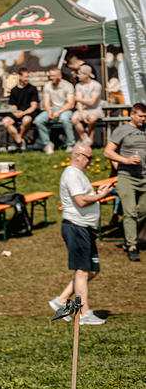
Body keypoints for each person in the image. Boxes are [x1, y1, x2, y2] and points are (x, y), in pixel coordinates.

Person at [50, 143, 111, 324]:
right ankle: (84, 314)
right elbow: (81, 201)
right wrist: (101, 196)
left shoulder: (78, 174)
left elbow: (85, 197)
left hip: (86, 228)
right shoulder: (71, 174)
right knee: (83, 271)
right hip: (76, 227)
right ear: (77, 155)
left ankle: (61, 300)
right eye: (88, 158)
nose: (90, 162)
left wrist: (98, 194)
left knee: (92, 270)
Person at [103, 102, 146, 261]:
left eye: (145, 117)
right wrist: (126, 160)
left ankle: (131, 237)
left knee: (144, 211)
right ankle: (132, 246)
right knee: (129, 213)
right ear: (132, 114)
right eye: (141, 116)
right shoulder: (121, 130)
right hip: (127, 176)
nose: (143, 119)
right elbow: (108, 152)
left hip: (144, 177)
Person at [36, 67, 76, 154]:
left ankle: (71, 144)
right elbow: (46, 102)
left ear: (60, 76)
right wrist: (49, 112)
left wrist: (59, 112)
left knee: (65, 119)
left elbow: (71, 104)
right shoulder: (47, 86)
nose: (51, 78)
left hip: (65, 109)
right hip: (52, 109)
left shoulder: (68, 86)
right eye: (50, 75)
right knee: (38, 120)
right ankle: (47, 144)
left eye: (53, 76)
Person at [1, 67, 38, 153]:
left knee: (26, 120)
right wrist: (16, 112)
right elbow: (13, 106)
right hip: (18, 113)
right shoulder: (14, 90)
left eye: (28, 77)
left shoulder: (32, 89)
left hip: (28, 113)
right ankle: (20, 141)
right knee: (5, 121)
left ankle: (18, 141)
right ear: (20, 76)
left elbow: (33, 107)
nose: (27, 79)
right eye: (26, 77)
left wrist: (23, 113)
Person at [71, 65, 103, 146]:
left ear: (86, 75)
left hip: (95, 109)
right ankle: (84, 139)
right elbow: (79, 103)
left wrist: (78, 99)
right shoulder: (78, 86)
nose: (77, 75)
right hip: (83, 110)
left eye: (79, 74)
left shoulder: (96, 85)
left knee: (92, 118)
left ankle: (88, 136)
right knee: (74, 119)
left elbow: (92, 102)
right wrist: (82, 114)